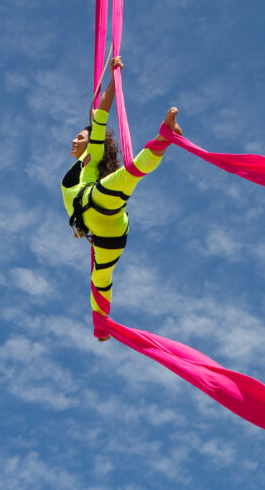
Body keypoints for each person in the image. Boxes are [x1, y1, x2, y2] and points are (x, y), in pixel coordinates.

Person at [62, 56, 182, 341]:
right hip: (108, 235)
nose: (74, 141)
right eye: (76, 138)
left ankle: (165, 137)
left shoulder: (92, 159)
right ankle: (101, 326)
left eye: (79, 137)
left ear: (92, 142)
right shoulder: (78, 166)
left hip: (100, 203)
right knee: (99, 280)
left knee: (128, 174)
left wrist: (115, 78)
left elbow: (101, 114)